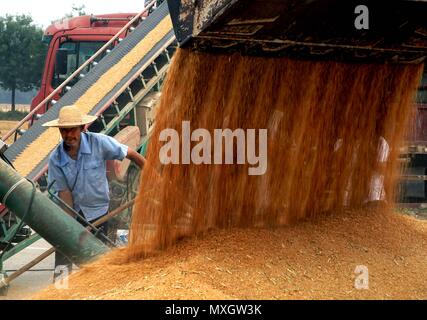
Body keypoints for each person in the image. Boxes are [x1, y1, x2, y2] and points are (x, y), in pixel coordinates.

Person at [43, 105, 145, 281]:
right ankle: (59, 292)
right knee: (63, 259)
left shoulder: (99, 142)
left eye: (72, 130)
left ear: (82, 128)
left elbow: (132, 155)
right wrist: (70, 227)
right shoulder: (56, 158)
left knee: (97, 261)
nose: (68, 135)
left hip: (99, 213)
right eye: (64, 131)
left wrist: (154, 175)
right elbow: (65, 194)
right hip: (73, 213)